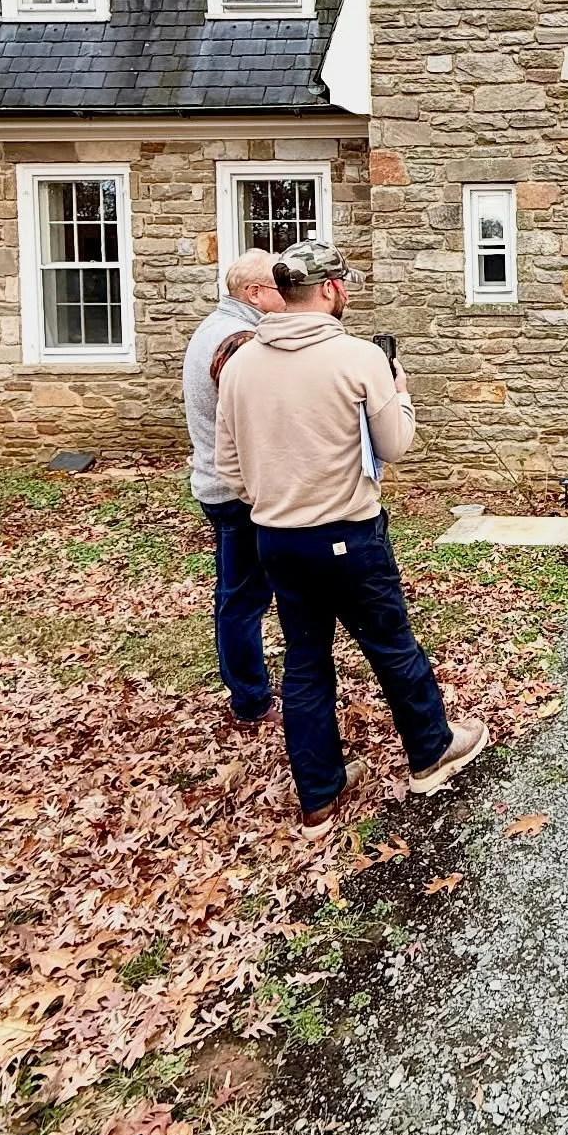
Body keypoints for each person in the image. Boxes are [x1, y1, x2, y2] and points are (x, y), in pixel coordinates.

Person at [214, 240, 487, 833]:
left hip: (276, 538)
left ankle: (320, 795)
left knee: (305, 663)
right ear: (333, 289)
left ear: (283, 294)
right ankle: (431, 751)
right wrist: (402, 392)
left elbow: (228, 468)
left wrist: (272, 498)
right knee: (390, 644)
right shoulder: (358, 357)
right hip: (348, 532)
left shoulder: (238, 364)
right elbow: (394, 445)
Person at [182, 249, 285, 731]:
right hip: (237, 493)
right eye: (278, 285)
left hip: (222, 485)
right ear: (253, 293)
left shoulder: (216, 328)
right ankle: (250, 700)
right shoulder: (237, 342)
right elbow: (254, 424)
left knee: (242, 593)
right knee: (242, 600)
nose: (286, 294)